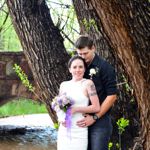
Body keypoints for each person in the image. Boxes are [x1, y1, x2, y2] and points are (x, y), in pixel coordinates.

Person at [75, 35, 117, 150]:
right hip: (80, 120)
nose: (83, 57)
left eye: (85, 53)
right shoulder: (77, 67)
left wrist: (95, 117)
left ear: (93, 48)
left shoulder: (105, 67)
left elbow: (112, 96)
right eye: (80, 54)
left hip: (100, 121)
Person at [57, 55, 101, 150]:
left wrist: (76, 109)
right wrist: (60, 119)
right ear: (70, 69)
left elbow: (96, 107)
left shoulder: (88, 84)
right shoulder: (63, 85)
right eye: (74, 67)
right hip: (64, 130)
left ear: (85, 69)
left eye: (80, 67)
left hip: (79, 129)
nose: (78, 70)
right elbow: (59, 107)